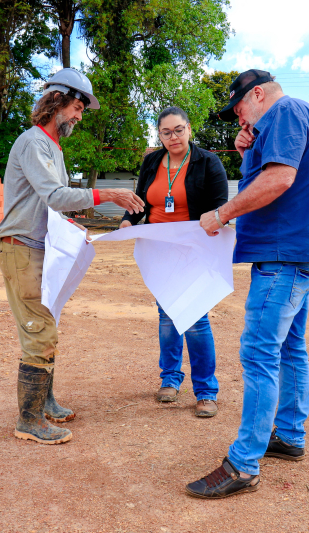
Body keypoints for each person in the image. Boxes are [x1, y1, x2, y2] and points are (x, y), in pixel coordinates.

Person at [186, 69, 309, 497]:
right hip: (297, 251)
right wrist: (248, 151)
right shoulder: (292, 118)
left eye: (239, 111)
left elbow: (279, 179)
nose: (240, 120)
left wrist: (221, 214)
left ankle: (244, 463)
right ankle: (288, 435)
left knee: (258, 352)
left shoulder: (285, 111)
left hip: (281, 256)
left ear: (257, 94)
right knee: (290, 348)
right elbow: (268, 175)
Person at [0, 68, 144, 445]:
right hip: (21, 248)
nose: (79, 116)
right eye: (77, 107)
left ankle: (43, 402)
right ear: (56, 102)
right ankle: (28, 419)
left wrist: (76, 231)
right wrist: (108, 195)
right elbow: (57, 196)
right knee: (39, 329)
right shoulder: (33, 144)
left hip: (38, 247)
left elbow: (55, 209)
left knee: (49, 320)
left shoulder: (52, 148)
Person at [120, 106, 228, 418]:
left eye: (178, 130)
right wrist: (128, 221)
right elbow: (140, 202)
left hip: (194, 251)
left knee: (195, 319)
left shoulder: (208, 162)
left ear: (189, 129)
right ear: (159, 135)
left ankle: (206, 391)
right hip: (159, 251)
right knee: (167, 315)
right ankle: (170, 379)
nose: (173, 137)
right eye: (166, 132)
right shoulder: (153, 161)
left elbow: (219, 207)